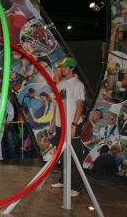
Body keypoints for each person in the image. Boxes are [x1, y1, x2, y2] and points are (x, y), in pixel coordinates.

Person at [50, 57, 85, 197]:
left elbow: (80, 106)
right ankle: (64, 180)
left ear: (71, 68)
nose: (62, 69)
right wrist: (53, 122)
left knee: (74, 155)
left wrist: (74, 124)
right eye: (61, 67)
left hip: (72, 124)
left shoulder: (78, 84)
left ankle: (76, 186)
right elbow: (57, 105)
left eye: (64, 67)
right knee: (63, 154)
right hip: (60, 125)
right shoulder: (61, 85)